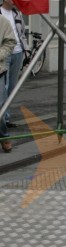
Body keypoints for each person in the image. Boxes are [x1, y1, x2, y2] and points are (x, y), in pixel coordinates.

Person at [1, 0, 27, 128]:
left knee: (12, 87)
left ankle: (6, 116)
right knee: (3, 88)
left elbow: (22, 31)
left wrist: (25, 49)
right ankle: (2, 118)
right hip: (4, 54)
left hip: (17, 52)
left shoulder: (17, 13)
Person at [0, 12, 17, 152]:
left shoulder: (2, 21)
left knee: (0, 107)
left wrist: (0, 54)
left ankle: (4, 136)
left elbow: (11, 41)